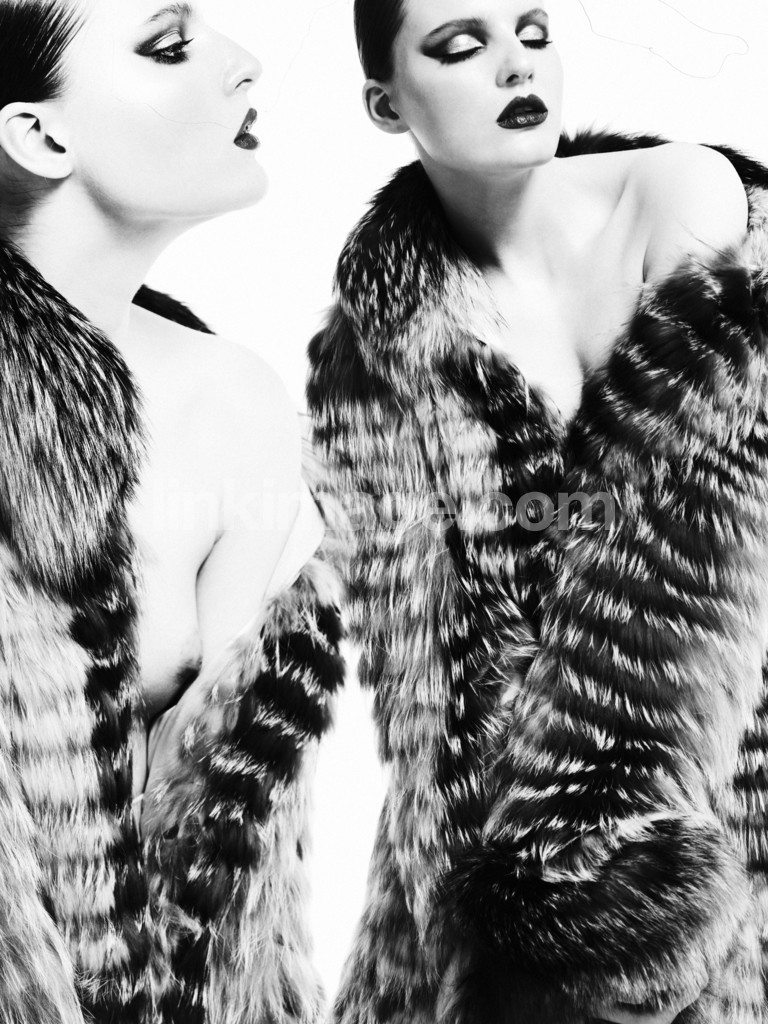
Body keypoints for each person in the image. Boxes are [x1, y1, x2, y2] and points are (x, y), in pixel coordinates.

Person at [306, 0, 768, 1022]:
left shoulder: (680, 194)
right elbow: (431, 681)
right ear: (386, 104)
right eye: (460, 46)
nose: (516, 64)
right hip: (502, 859)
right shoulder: (374, 353)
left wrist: (609, 899)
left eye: (534, 30)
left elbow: (685, 573)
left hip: (720, 795)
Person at [0, 1, 345, 1022]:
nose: (245, 64)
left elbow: (220, 875)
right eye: (168, 44)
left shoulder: (231, 398)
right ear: (40, 135)